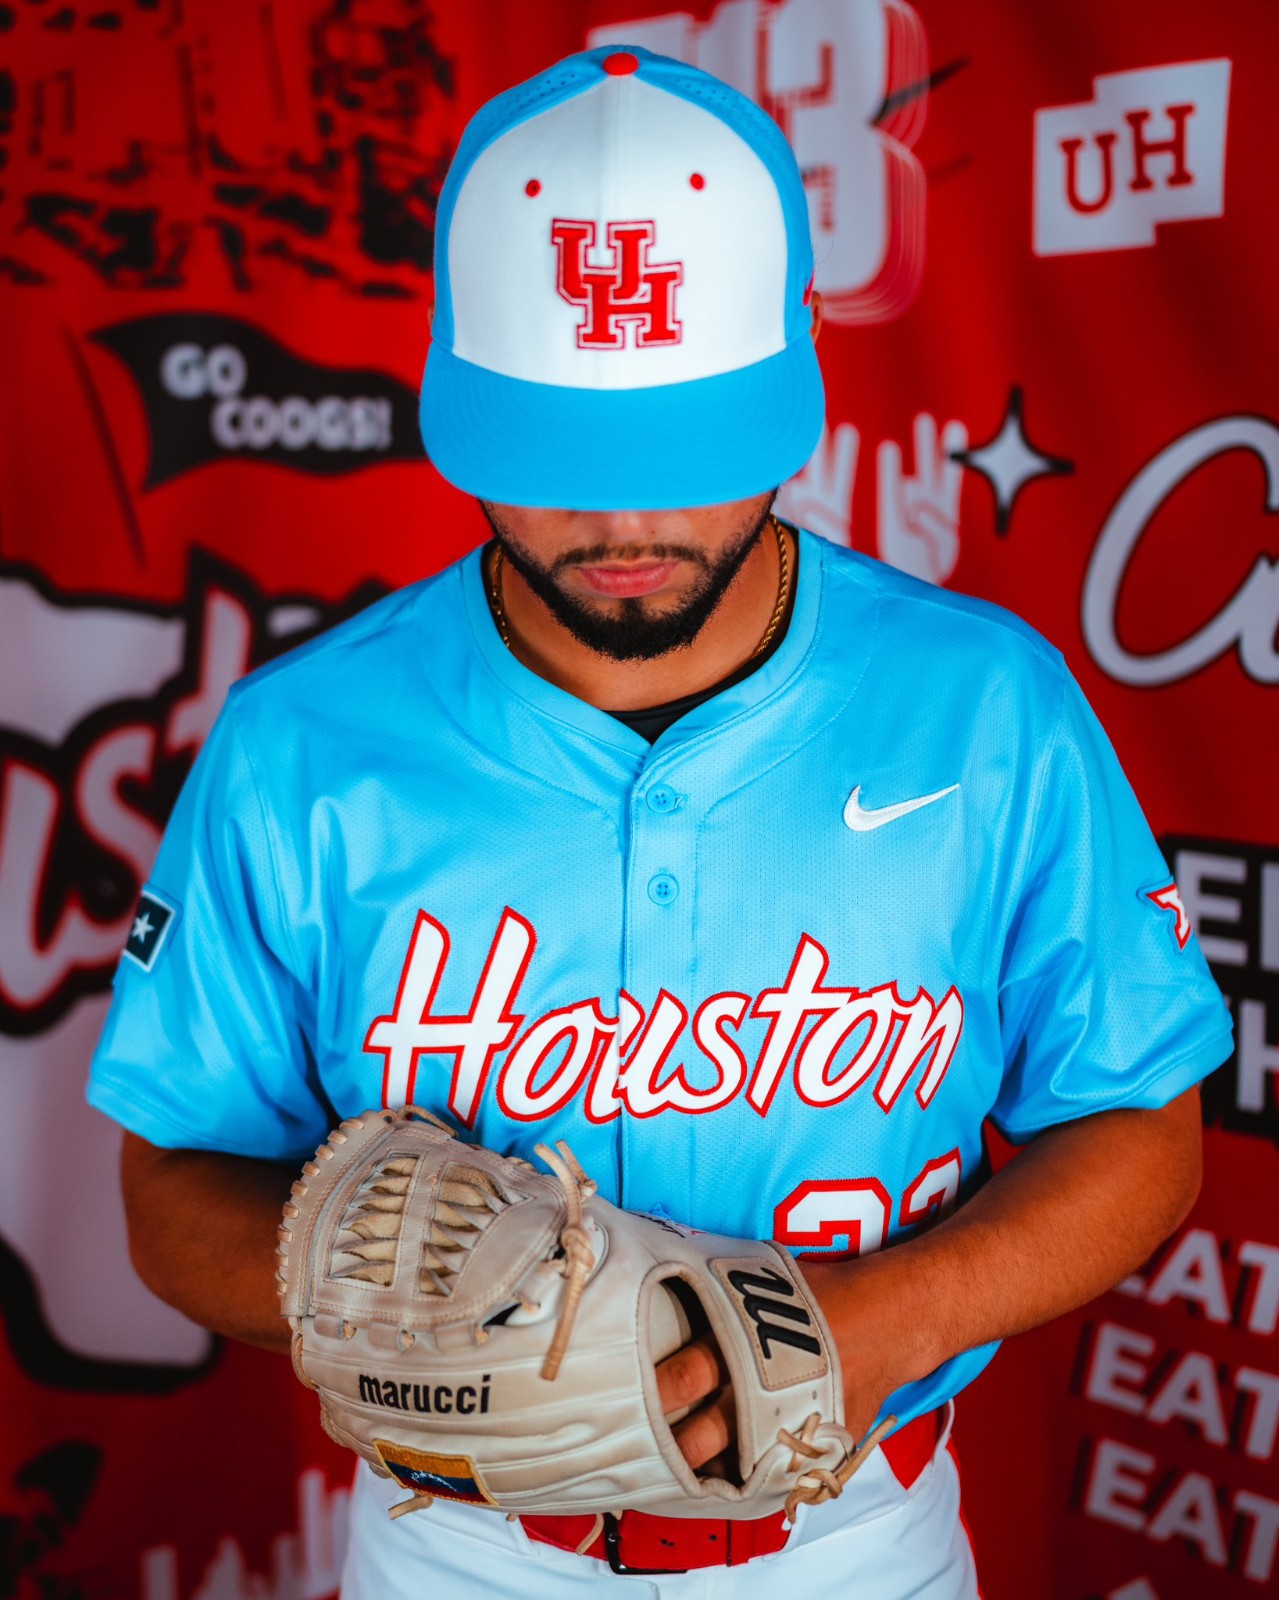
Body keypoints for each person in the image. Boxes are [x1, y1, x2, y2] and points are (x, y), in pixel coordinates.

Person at [88, 44, 1231, 1600]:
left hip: (857, 1542)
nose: (625, 525)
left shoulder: (982, 706)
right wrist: (405, 1325)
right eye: (562, 465)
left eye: (681, 458)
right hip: (459, 1551)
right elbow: (174, 1185)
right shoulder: (302, 744)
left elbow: (1146, 1124)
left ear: (787, 388)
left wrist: (877, 1322)